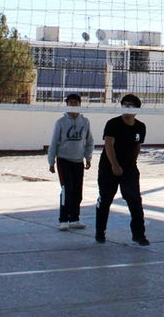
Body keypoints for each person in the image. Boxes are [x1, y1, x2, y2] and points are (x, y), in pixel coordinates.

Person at [95, 94, 149, 246]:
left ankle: (139, 235)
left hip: (129, 168)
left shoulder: (140, 127)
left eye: (130, 106)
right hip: (108, 167)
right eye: (125, 105)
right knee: (105, 200)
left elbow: (137, 146)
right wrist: (114, 165)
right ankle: (100, 233)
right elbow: (108, 144)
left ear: (136, 109)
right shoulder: (113, 124)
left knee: (135, 200)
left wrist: (132, 163)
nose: (127, 108)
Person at [48, 93, 94, 231]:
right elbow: (53, 142)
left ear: (80, 104)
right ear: (67, 105)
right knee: (66, 190)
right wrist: (51, 161)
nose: (73, 104)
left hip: (78, 161)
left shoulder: (85, 122)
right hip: (64, 160)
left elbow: (89, 141)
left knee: (77, 192)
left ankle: (74, 219)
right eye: (70, 102)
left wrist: (88, 157)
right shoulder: (61, 122)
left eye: (75, 102)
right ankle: (63, 220)